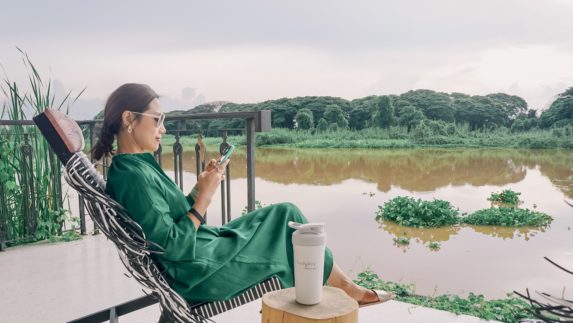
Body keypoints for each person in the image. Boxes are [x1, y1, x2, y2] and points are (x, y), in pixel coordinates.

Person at [90, 83, 390, 306]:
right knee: (287, 224)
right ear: (129, 119)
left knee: (286, 213)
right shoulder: (131, 175)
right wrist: (205, 198)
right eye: (157, 120)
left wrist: (201, 185)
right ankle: (347, 289)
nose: (163, 129)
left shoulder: (138, 165)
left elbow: (172, 215)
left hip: (200, 250)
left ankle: (343, 287)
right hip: (195, 272)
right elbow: (173, 247)